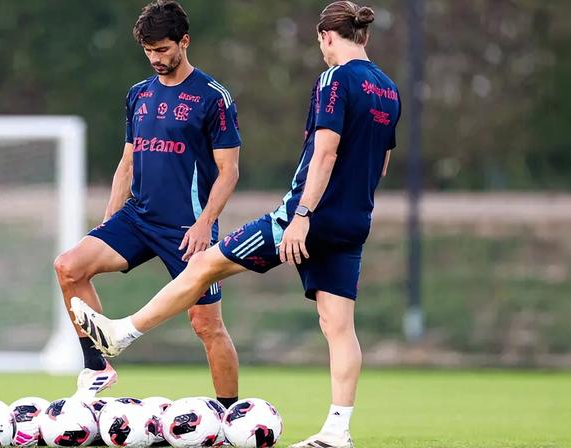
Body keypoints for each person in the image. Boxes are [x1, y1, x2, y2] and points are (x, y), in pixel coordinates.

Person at [70, 2, 400, 447]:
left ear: (326, 36)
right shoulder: (388, 89)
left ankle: (122, 332)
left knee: (205, 264)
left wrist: (302, 216)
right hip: (355, 219)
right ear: (365, 36)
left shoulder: (334, 79)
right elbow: (380, 165)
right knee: (338, 326)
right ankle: (337, 431)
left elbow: (325, 153)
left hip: (305, 217)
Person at [54, 0, 242, 409]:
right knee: (69, 266)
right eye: (148, 51)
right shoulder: (138, 94)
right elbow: (127, 163)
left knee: (207, 325)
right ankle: (97, 367)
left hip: (188, 228)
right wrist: (107, 224)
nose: (155, 58)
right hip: (138, 218)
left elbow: (229, 172)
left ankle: (231, 415)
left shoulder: (213, 97)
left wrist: (204, 223)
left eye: (162, 49)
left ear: (184, 41)